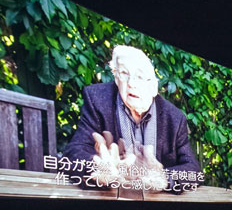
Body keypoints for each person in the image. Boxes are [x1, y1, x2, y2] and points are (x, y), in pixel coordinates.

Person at [63, 45, 201, 192]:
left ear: (154, 87)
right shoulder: (97, 100)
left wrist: (165, 178)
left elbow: (193, 170)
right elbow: (73, 152)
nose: (131, 83)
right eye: (124, 73)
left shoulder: (174, 118)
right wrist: (98, 167)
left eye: (140, 76)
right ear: (116, 78)